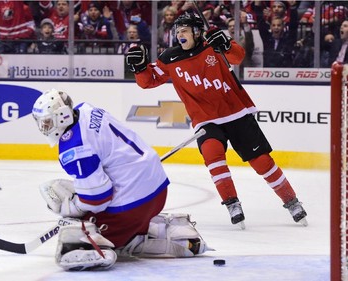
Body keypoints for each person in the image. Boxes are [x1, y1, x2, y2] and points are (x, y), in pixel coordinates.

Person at [125, 12, 308, 229]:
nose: (180, 35)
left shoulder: (213, 46)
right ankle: (232, 203)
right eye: (177, 31)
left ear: (196, 31)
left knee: (262, 162)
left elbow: (238, 57)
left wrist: (227, 44)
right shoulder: (169, 58)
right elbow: (148, 82)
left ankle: (291, 201)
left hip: (236, 113)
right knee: (213, 156)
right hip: (206, 120)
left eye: (184, 30)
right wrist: (139, 68)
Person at [31, 89, 210, 271]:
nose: (44, 128)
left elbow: (98, 199)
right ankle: (156, 231)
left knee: (78, 233)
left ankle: (121, 241)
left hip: (135, 205)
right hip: (157, 189)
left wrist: (72, 207)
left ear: (62, 116)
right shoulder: (86, 110)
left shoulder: (74, 148)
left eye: (47, 122)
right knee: (90, 210)